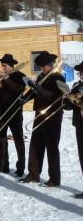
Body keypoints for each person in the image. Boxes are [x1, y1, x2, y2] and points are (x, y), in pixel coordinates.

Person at [20, 51, 65, 187]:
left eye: (43, 65)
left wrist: (37, 87)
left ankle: (55, 179)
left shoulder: (58, 78)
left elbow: (52, 97)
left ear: (50, 64)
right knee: (35, 144)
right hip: (39, 114)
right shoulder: (41, 76)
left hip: (53, 116)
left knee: (52, 147)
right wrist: (25, 97)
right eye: (40, 66)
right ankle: (34, 174)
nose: (41, 68)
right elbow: (35, 92)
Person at [0, 54, 27, 177]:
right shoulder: (2, 78)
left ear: (11, 66)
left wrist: (6, 79)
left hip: (15, 112)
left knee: (18, 139)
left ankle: (21, 167)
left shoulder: (20, 76)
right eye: (2, 66)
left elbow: (18, 89)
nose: (3, 68)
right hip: (2, 112)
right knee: (0, 138)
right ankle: (3, 165)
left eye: (5, 66)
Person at [66, 61, 83, 198]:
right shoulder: (77, 85)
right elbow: (69, 107)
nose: (80, 74)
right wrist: (67, 99)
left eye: (82, 72)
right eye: (80, 72)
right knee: (82, 157)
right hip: (79, 124)